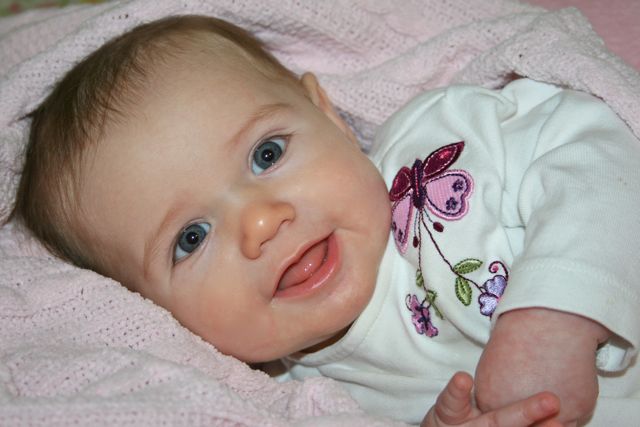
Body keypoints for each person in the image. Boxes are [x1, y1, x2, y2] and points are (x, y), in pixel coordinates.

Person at [10, 14, 640, 426]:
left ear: (328, 116)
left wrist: (553, 316)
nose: (260, 223)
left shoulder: (439, 144)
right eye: (191, 238)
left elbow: (598, 146)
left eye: (267, 154)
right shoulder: (310, 399)